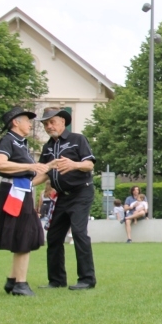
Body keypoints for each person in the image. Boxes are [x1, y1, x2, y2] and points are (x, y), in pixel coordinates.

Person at [36, 107, 97, 290]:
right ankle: (56, 280)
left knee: (78, 232)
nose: (49, 126)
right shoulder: (47, 147)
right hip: (61, 196)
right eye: (46, 124)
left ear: (63, 121)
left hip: (81, 192)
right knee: (54, 236)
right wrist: (26, 185)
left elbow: (89, 165)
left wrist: (74, 164)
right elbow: (43, 172)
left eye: (52, 122)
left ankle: (87, 279)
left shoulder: (77, 139)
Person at [0, 107, 48, 296]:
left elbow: (29, 172)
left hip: (21, 190)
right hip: (13, 191)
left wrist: (48, 168)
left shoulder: (20, 143)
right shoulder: (8, 140)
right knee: (25, 234)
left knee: (24, 234)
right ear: (15, 122)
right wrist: (30, 165)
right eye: (27, 120)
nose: (30, 124)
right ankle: (20, 284)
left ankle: (13, 280)